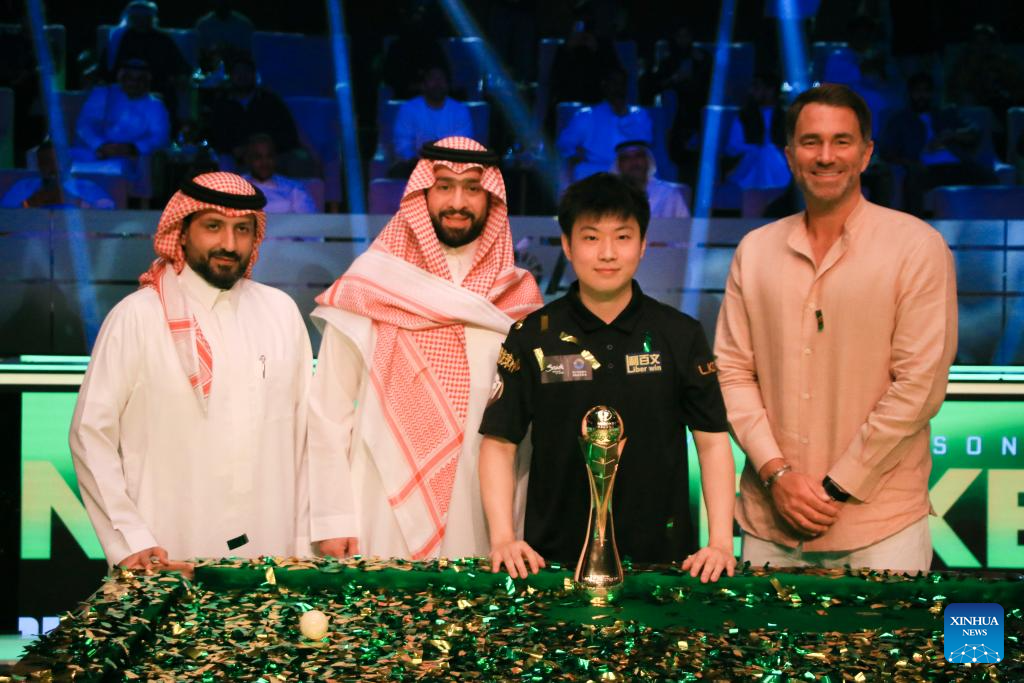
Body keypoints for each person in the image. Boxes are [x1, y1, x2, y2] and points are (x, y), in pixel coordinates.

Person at [714, 84, 958, 572]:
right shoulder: (755, 251)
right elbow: (733, 373)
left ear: (866, 153)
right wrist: (777, 476)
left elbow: (919, 386)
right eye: (811, 142)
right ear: (790, 155)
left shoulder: (916, 247)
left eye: (841, 141)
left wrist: (838, 485)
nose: (826, 156)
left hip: (880, 526)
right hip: (770, 523)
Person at [479, 172, 736, 583]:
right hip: (553, 563)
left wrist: (720, 542)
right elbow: (499, 443)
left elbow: (712, 442)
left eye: (623, 237)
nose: (608, 253)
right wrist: (503, 538)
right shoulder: (532, 336)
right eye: (591, 237)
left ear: (643, 244)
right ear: (567, 245)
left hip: (664, 563)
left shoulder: (680, 335)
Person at [308, 136, 543, 561]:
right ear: (422, 194)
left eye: (472, 188)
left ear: (491, 198)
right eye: (444, 186)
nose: (458, 202)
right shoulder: (373, 284)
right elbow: (328, 411)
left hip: (483, 509)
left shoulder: (517, 297)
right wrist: (333, 519)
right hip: (380, 500)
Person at [69, 172, 313, 569]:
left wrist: (303, 545)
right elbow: (89, 434)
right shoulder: (138, 317)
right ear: (181, 233)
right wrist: (130, 539)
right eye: (213, 227)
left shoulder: (280, 313)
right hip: (166, 554)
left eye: (242, 229)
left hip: (271, 556)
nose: (229, 244)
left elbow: (304, 439)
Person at [881, 72, 997, 216]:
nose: (922, 96)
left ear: (932, 94)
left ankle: (990, 224)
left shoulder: (946, 114)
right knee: (913, 180)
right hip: (926, 168)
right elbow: (887, 151)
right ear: (910, 94)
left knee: (988, 177)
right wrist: (910, 163)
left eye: (926, 91)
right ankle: (914, 226)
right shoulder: (900, 120)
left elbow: (974, 132)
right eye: (917, 91)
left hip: (956, 165)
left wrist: (951, 135)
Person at [71, 58, 171, 179]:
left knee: (120, 170)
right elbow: (84, 125)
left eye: (140, 79)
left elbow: (160, 137)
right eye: (129, 78)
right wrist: (101, 145)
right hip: (95, 152)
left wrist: (132, 148)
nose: (133, 83)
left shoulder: (155, 105)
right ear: (121, 78)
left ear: (147, 81)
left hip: (129, 158)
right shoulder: (104, 94)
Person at [205, 55, 302, 168]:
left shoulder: (270, 101)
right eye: (238, 72)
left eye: (246, 71)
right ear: (231, 76)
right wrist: (235, 149)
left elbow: (288, 133)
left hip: (272, 154)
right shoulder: (222, 104)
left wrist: (267, 147)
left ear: (254, 75)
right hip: (237, 157)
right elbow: (216, 135)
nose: (242, 75)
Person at [557, 67, 653, 182]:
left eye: (622, 83)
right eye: (614, 83)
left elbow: (645, 144)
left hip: (630, 174)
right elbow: (565, 144)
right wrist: (574, 155)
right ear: (605, 85)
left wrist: (624, 116)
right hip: (596, 174)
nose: (618, 88)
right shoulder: (587, 116)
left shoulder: (640, 115)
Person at [390, 65, 474, 175]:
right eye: (432, 79)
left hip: (451, 168)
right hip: (415, 167)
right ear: (423, 85)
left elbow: (463, 145)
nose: (437, 83)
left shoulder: (460, 110)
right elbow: (402, 145)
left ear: (448, 85)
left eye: (441, 79)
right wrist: (419, 161)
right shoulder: (409, 109)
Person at [722, 71, 791, 191]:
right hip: (749, 163)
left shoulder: (785, 117)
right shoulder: (745, 117)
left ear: (770, 91)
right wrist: (756, 149)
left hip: (780, 163)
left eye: (757, 88)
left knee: (769, 152)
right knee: (764, 152)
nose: (752, 92)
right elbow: (733, 146)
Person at [1, 140, 114, 209]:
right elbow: (5, 218)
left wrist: (74, 201)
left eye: (56, 162)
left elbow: (108, 215)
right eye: (45, 162)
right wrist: (30, 202)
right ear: (38, 165)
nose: (51, 167)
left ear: (69, 164)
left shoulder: (86, 187)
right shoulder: (23, 187)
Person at [614, 139, 690, 218]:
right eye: (626, 158)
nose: (633, 162)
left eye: (639, 155)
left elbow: (684, 223)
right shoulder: (611, 196)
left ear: (648, 161)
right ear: (619, 165)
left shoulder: (669, 193)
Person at [242, 134, 316, 214]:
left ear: (275, 158)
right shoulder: (236, 187)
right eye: (258, 157)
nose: (264, 162)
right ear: (248, 159)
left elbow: (310, 219)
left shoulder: (294, 188)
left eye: (269, 156)